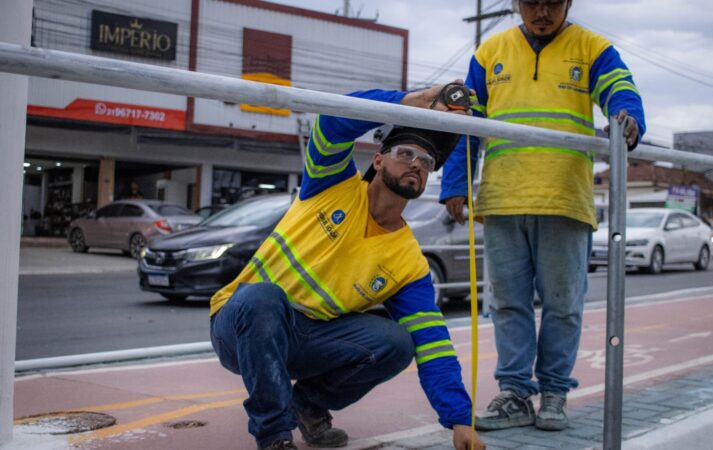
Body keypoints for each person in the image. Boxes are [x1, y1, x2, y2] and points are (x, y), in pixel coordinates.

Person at [209, 84, 486, 450]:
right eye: (405, 153)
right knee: (262, 297)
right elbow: (332, 121)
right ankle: (275, 436)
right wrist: (408, 103)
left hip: (309, 341)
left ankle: (308, 405)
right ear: (378, 160)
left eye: (426, 161)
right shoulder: (330, 183)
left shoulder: (408, 262)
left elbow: (433, 344)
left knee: (397, 343)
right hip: (241, 325)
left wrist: (458, 419)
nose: (416, 164)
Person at [440, 0, 646, 432]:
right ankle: (514, 393)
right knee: (508, 304)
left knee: (563, 306)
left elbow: (620, 92)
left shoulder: (593, 48)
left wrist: (627, 119)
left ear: (568, 3)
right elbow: (468, 122)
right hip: (502, 198)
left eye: (553, 1)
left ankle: (554, 393)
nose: (542, 11)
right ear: (516, 4)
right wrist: (455, 182)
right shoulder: (490, 52)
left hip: (563, 199)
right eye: (531, 1)